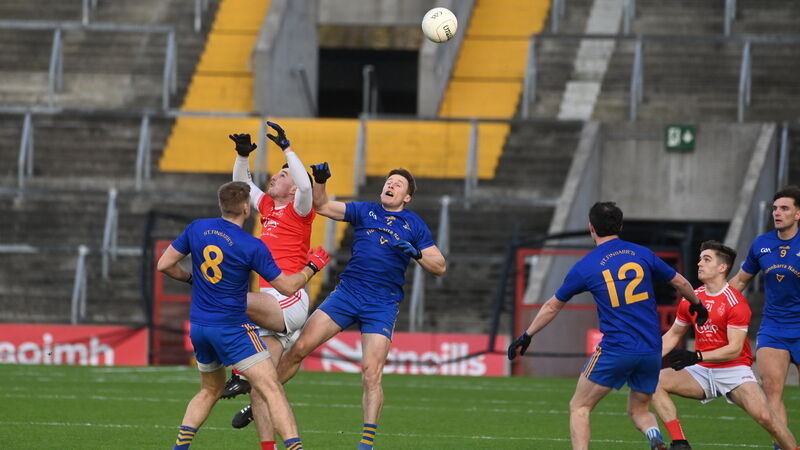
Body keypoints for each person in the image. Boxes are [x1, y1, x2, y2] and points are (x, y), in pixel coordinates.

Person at [507, 202, 709, 450]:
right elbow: (680, 282)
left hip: (616, 349)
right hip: (650, 350)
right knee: (639, 410)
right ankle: (656, 440)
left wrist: (527, 334)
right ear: (620, 226)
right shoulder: (641, 253)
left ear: (591, 227)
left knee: (579, 407)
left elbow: (552, 306)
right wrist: (698, 305)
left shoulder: (586, 266)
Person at [275, 163, 446, 450]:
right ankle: (263, 400)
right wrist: (319, 181)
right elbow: (323, 206)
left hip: (382, 304)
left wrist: (416, 253)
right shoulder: (365, 211)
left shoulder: (414, 224)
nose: (390, 186)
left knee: (371, 372)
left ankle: (366, 444)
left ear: (407, 198)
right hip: (347, 294)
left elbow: (439, 266)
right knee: (299, 349)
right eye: (388, 182)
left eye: (397, 185)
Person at [157, 181, 330, 450]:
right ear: (247, 209)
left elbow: (164, 264)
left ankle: (179, 448)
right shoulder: (251, 245)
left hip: (200, 327)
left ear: (221, 205)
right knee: (272, 389)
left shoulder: (197, 228)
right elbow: (286, 287)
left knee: (209, 390)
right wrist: (312, 267)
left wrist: (192, 278)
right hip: (232, 328)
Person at [653, 240, 797, 450]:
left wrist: (696, 356)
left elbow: (734, 349)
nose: (699, 263)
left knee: (767, 418)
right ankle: (680, 442)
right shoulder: (692, 299)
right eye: (700, 259)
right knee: (654, 380)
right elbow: (673, 334)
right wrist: (647, 358)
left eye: (707, 259)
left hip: (734, 370)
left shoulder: (735, 302)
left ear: (722, 268)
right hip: (702, 370)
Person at [224, 122, 318, 443]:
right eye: (277, 174)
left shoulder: (298, 208)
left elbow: (305, 187)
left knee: (233, 299)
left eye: (283, 175)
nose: (276, 176)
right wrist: (242, 156)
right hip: (271, 306)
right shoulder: (267, 206)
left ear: (293, 187)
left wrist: (288, 149)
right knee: (263, 387)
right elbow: (241, 186)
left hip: (286, 301)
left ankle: (235, 371)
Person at [729, 185, 800, 450]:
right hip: (773, 328)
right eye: (775, 208)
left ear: (798, 214)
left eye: (784, 208)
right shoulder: (762, 244)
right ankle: (781, 447)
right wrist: (712, 303)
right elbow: (739, 280)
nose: (777, 213)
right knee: (771, 390)